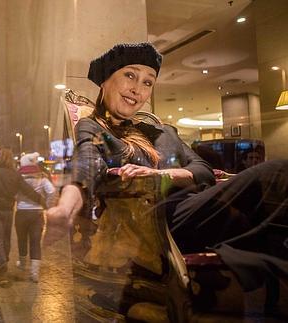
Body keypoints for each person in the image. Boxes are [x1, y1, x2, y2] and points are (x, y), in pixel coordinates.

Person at [48, 43, 288, 305]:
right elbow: (86, 163)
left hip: (202, 204)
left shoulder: (165, 132)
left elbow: (203, 170)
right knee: (277, 172)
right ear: (105, 79)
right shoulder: (93, 127)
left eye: (148, 82)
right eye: (130, 75)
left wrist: (167, 175)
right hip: (161, 218)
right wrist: (65, 207)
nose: (137, 89)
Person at [0, 148, 47, 287]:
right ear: (10, 160)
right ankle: (4, 263)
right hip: (7, 212)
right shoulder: (14, 175)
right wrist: (41, 200)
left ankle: (2, 269)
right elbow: (27, 190)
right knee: (5, 240)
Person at [15, 152, 56, 282]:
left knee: (22, 239)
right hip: (37, 214)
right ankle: (34, 273)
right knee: (35, 242)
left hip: (21, 212)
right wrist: (46, 206)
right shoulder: (42, 179)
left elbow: (13, 194)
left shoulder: (18, 179)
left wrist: (18, 199)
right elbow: (52, 192)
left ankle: (22, 264)